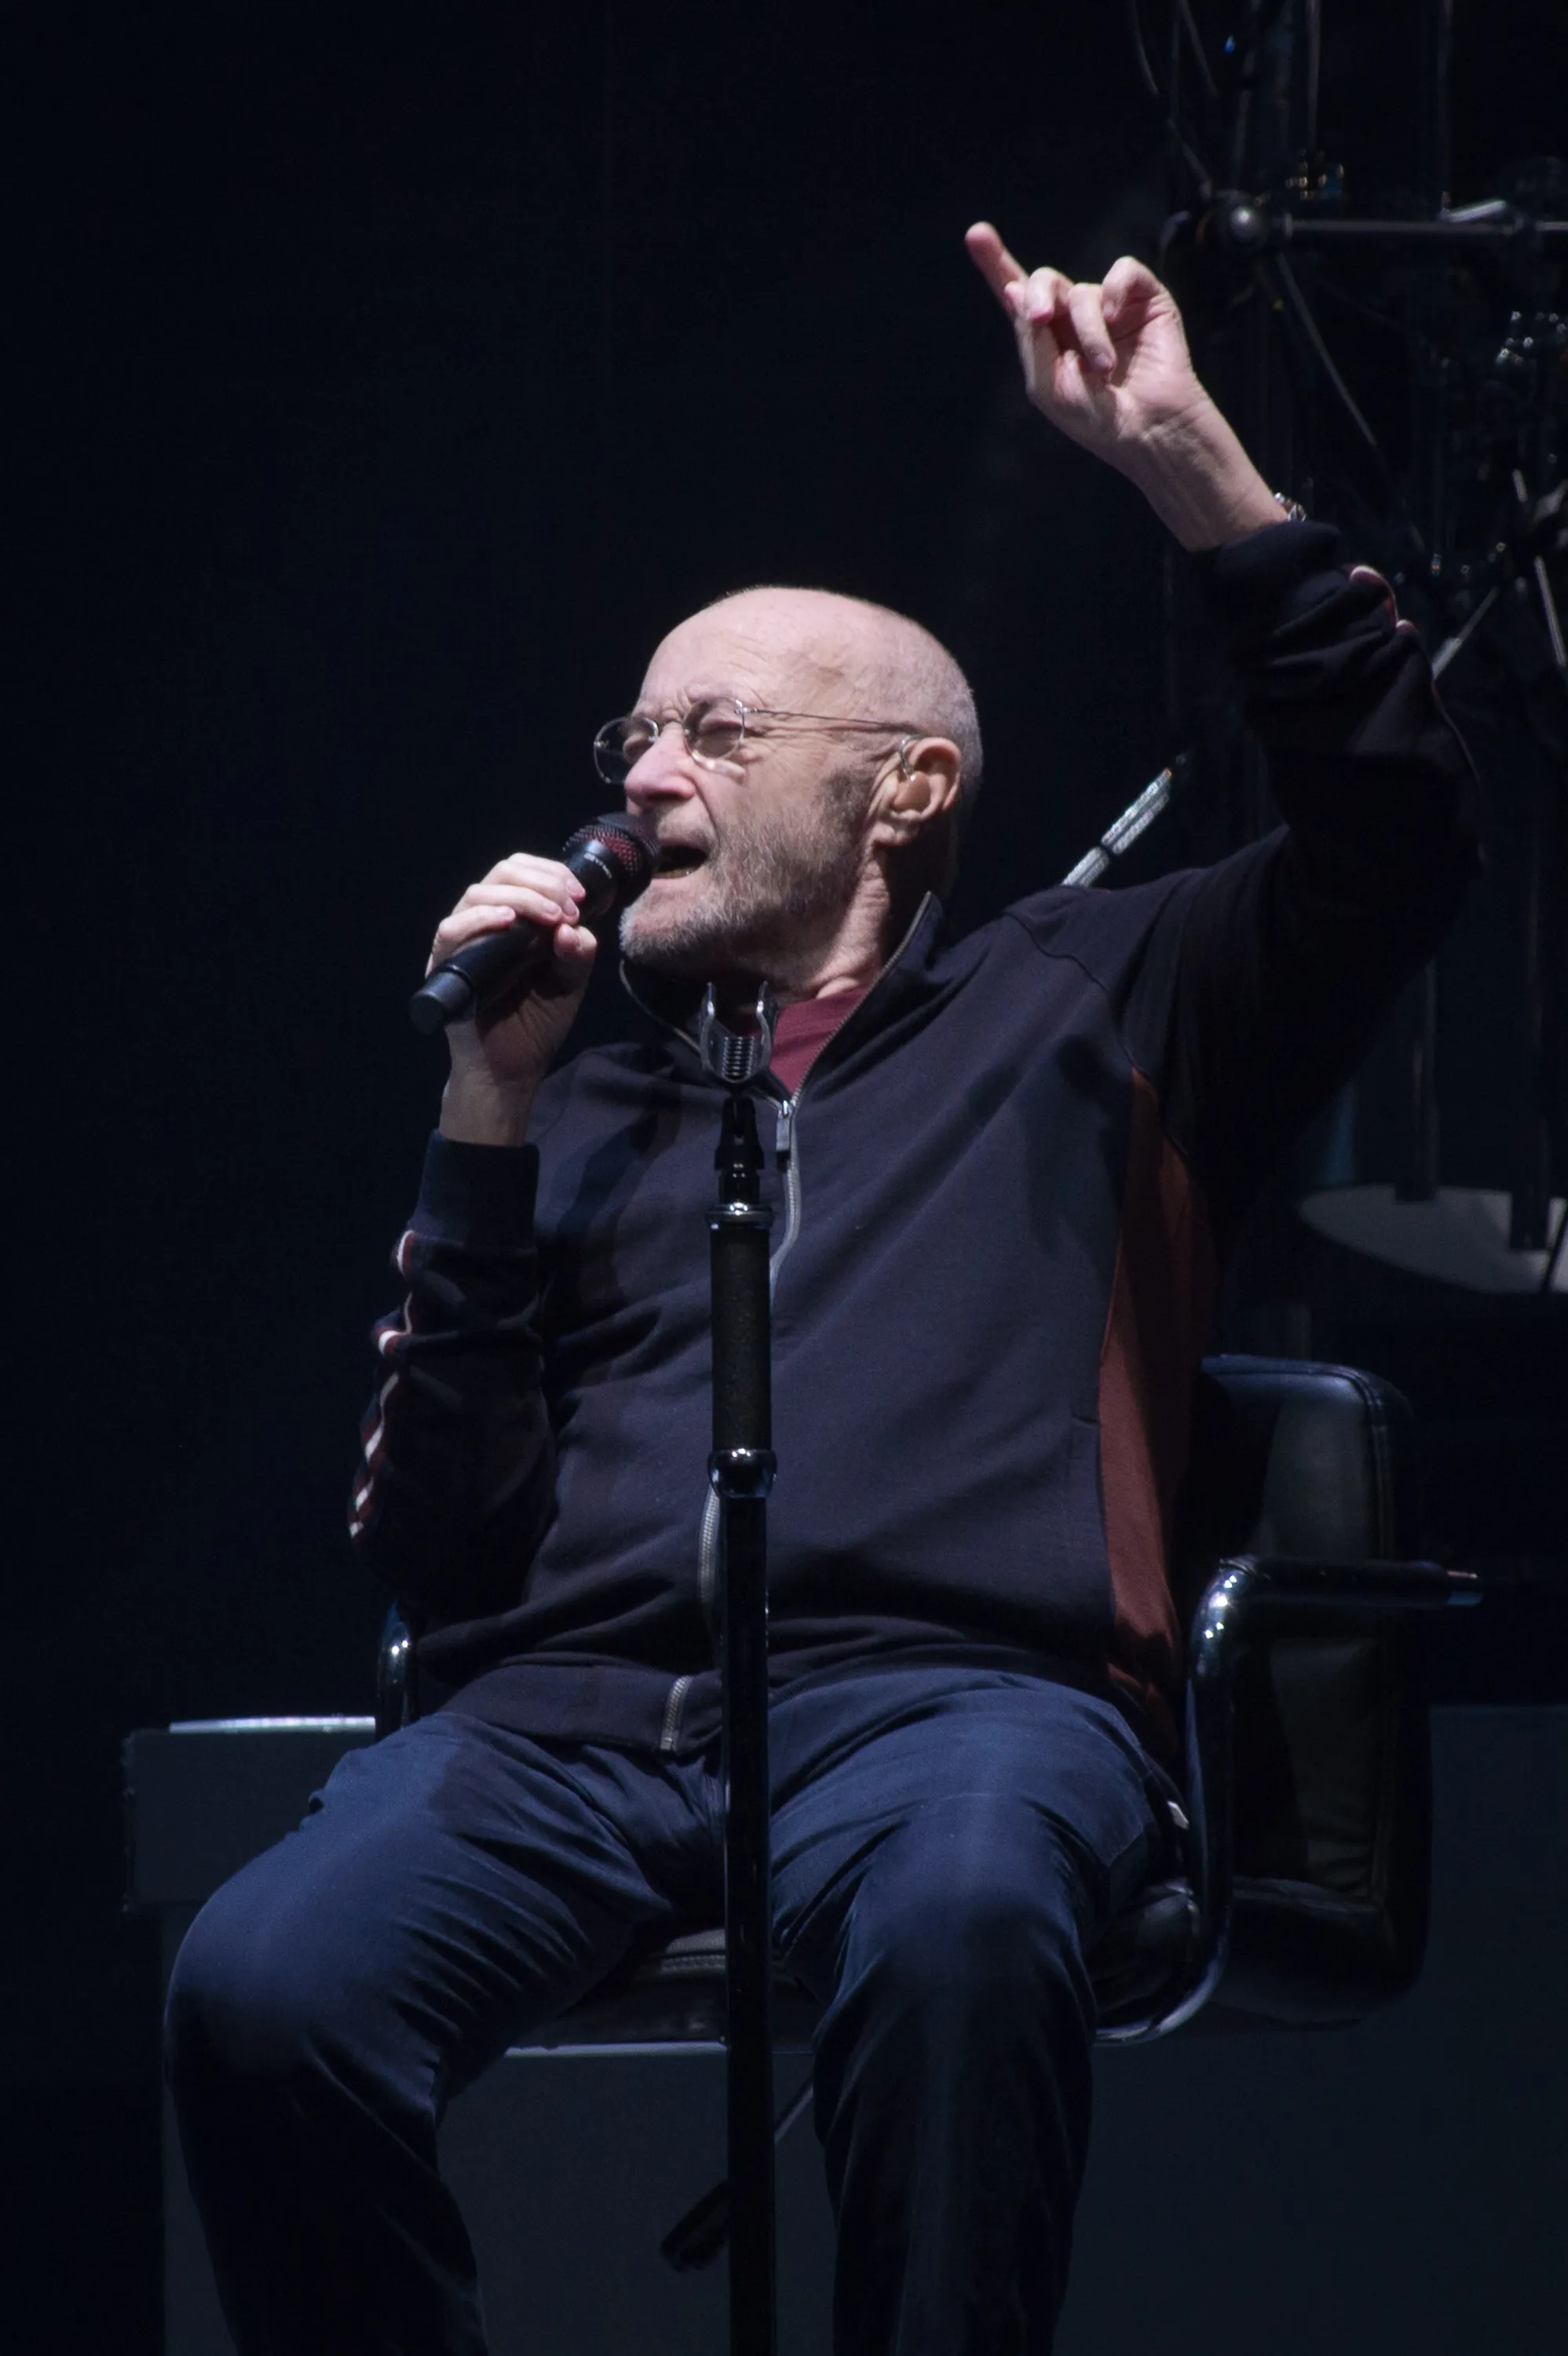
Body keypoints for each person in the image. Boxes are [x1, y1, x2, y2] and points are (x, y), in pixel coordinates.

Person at [165, 225, 1479, 2356]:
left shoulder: (1105, 999)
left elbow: (1399, 823)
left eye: (710, 731)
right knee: (257, 1987)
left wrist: (1191, 480)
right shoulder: (567, 1091)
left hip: (954, 1701)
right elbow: (427, 1541)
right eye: (632, 732)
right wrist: (482, 1118)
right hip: (562, 1730)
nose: (640, 776)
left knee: (963, 1930)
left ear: (905, 790)